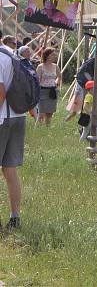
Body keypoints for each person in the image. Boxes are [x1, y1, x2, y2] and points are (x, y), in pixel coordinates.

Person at [0, 33, 26, 230]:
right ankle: (15, 217)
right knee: (10, 169)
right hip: (18, 115)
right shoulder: (11, 53)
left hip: (2, 118)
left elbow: (0, 91)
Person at [35, 48, 61, 126]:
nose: (54, 56)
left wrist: (56, 82)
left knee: (50, 113)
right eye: (52, 54)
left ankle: (47, 128)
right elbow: (37, 80)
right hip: (43, 91)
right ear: (47, 55)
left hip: (52, 91)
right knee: (41, 113)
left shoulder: (55, 66)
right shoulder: (40, 67)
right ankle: (38, 128)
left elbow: (59, 76)